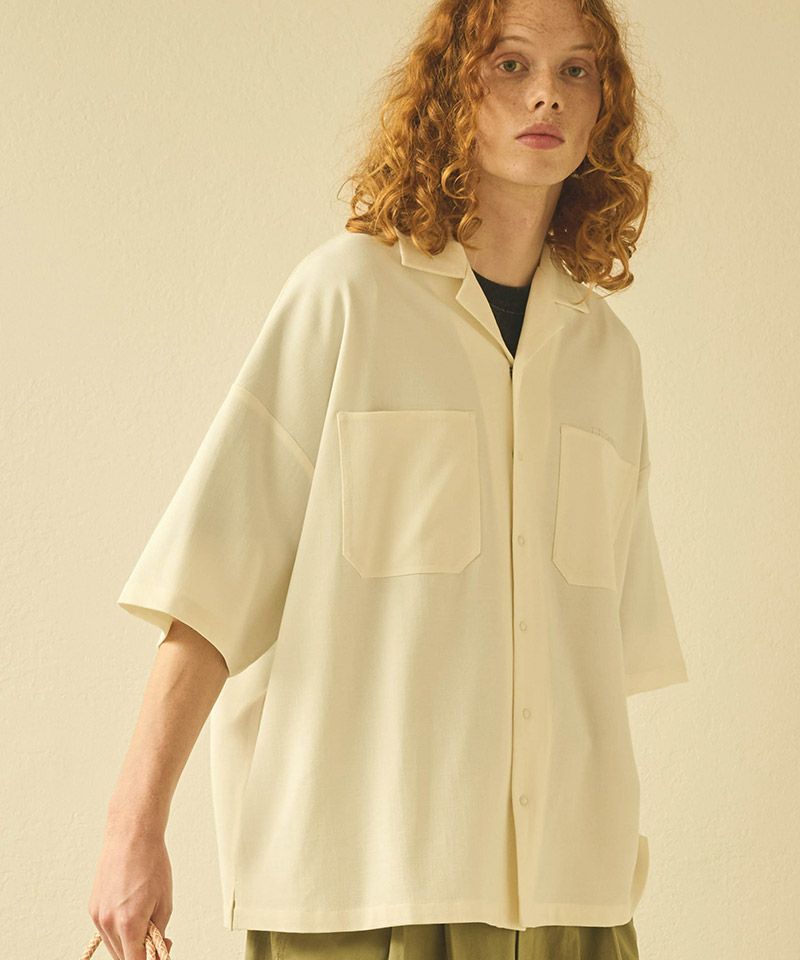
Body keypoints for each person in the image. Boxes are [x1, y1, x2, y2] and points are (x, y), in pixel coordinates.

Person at [89, 0, 690, 958]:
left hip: (571, 895)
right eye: (510, 63)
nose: (547, 93)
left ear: (604, 105)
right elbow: (211, 588)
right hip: (362, 888)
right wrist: (133, 829)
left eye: (578, 70)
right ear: (454, 87)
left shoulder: (607, 359)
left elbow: (597, 658)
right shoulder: (347, 296)